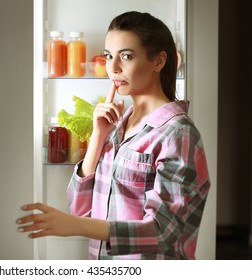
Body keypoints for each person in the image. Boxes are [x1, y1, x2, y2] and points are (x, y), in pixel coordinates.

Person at [17, 11, 210, 260]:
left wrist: (74, 226)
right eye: (109, 56)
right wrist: (98, 137)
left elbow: (162, 231)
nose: (113, 68)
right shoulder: (118, 126)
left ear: (158, 61)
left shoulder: (177, 134)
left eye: (126, 56)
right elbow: (80, 208)